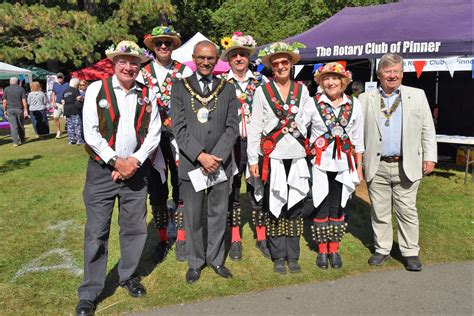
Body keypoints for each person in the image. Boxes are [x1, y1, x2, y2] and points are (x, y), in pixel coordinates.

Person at [75, 40, 161, 316]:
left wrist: (133, 161)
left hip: (135, 170)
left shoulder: (147, 93)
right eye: (123, 61)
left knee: (134, 228)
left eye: (133, 62)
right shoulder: (96, 89)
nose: (128, 66)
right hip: (102, 170)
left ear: (140, 66)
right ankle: (90, 291)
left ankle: (128, 276)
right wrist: (115, 160)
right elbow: (91, 132)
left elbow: (154, 133)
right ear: (114, 63)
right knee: (97, 231)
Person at [359, 53, 437, 272]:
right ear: (379, 75)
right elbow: (358, 133)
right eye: (387, 71)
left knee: (407, 210)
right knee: (380, 211)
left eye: (396, 71)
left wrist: (430, 157)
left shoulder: (417, 95)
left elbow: (427, 129)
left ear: (402, 74)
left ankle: (410, 252)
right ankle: (382, 249)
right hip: (378, 164)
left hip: (407, 164)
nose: (392, 76)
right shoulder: (366, 99)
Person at [171, 40, 239, 284]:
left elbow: (232, 126)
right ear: (194, 58)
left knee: (219, 212)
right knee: (192, 215)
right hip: (192, 163)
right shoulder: (180, 87)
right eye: (201, 57)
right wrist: (201, 156)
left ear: (217, 58)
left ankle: (217, 259)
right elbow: (178, 128)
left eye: (210, 58)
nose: (206, 62)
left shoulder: (227, 88)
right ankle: (195, 262)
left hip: (219, 163)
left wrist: (216, 156)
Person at [247, 42, 310, 274]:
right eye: (277, 64)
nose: (281, 67)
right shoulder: (262, 91)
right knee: (274, 204)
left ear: (291, 65)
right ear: (271, 68)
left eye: (285, 62)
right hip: (272, 156)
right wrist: (253, 159)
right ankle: (278, 256)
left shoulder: (302, 91)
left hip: (296, 155)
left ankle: (293, 255)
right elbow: (254, 127)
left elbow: (308, 121)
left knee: (295, 205)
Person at [298, 62, 364, 269]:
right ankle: (321, 250)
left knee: (338, 207)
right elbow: (300, 127)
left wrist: (359, 166)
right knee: (320, 205)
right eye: (326, 78)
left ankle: (334, 249)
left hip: (344, 164)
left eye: (335, 78)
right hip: (320, 164)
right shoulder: (312, 103)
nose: (331, 82)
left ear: (343, 81)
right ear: (321, 82)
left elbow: (358, 139)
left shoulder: (354, 105)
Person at [140, 25, 193, 263]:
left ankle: (181, 238)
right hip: (152, 140)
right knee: (157, 191)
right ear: (152, 46)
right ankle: (163, 239)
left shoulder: (184, 72)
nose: (163, 46)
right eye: (159, 43)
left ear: (173, 46)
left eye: (168, 43)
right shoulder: (142, 73)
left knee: (182, 186)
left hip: (179, 137)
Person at [219, 32, 270, 260]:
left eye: (243, 54)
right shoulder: (221, 83)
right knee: (231, 191)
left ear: (249, 57)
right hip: (231, 143)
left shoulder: (262, 82)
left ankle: (261, 237)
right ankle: (236, 238)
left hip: (257, 143)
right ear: (229, 59)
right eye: (234, 55)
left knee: (257, 189)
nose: (239, 58)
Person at [2, 77, 28, 147]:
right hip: (19, 109)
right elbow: (24, 100)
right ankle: (23, 140)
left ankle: (15, 142)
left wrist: (4, 110)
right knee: (20, 126)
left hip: (10, 109)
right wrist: (25, 109)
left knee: (13, 126)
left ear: (10, 82)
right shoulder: (21, 89)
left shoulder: (6, 89)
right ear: (17, 82)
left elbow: (4, 101)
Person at [62, 78, 84, 145]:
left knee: (70, 125)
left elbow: (63, 101)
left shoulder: (65, 91)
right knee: (77, 125)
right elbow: (78, 98)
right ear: (76, 84)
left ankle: (71, 140)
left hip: (67, 109)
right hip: (74, 109)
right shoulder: (75, 90)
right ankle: (79, 140)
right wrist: (82, 98)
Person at [51, 72, 69, 139]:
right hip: (57, 103)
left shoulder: (67, 84)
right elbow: (53, 94)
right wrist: (53, 102)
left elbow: (69, 93)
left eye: (61, 77)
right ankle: (59, 131)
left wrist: (66, 100)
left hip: (66, 103)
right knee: (55, 117)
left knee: (67, 118)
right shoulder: (55, 85)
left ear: (63, 77)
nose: (60, 78)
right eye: (58, 77)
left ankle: (70, 132)